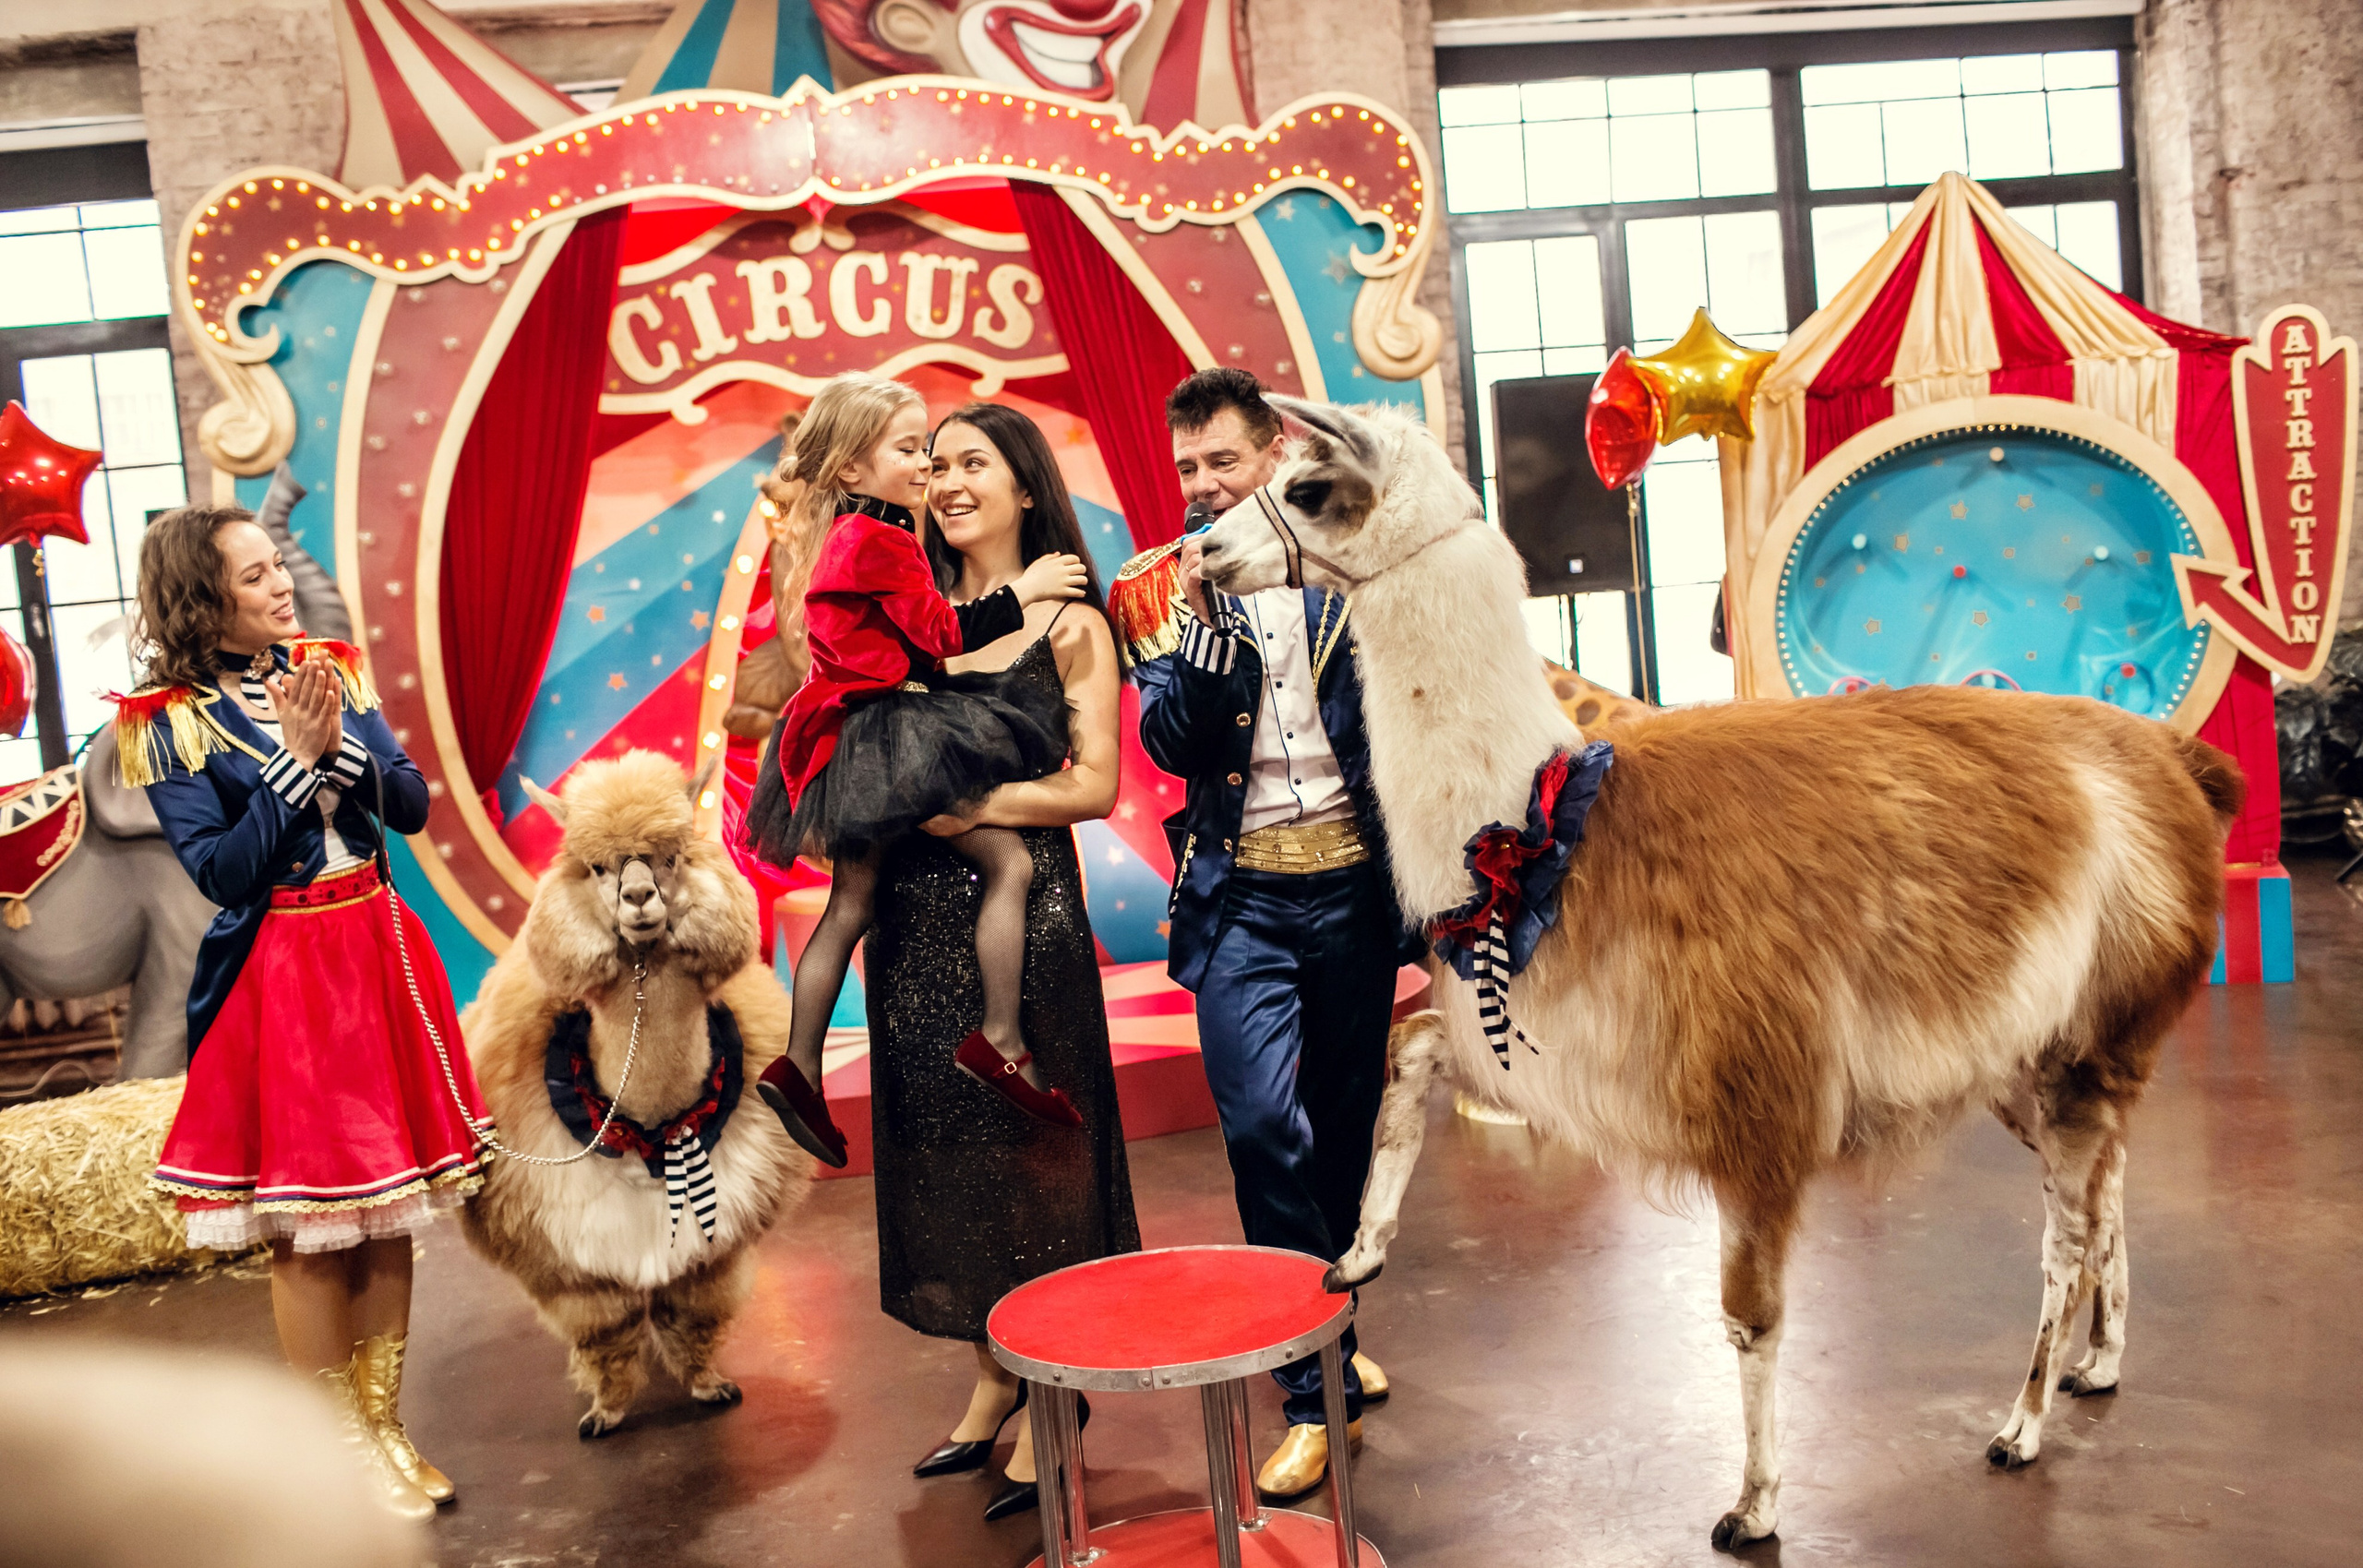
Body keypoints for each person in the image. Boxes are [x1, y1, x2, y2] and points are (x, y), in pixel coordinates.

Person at [119, 502, 490, 1524]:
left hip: (375, 947)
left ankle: (386, 1426)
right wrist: (290, 762)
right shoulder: (166, 720)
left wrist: (341, 752)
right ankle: (337, 1452)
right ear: (205, 600)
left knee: (385, 1210)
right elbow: (224, 874)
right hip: (284, 979)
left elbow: (408, 803)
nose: (280, 583)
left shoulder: (329, 666)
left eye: (274, 563)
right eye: (251, 576)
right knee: (312, 1229)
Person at [1110, 368, 1419, 1499]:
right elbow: (1174, 748)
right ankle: (1307, 1391)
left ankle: (1330, 1331)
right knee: (1258, 1131)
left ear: (1274, 453)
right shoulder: (1155, 588)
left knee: (1339, 1132)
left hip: (1353, 894)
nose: (1201, 486)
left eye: (1222, 463)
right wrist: (1198, 634)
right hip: (1239, 900)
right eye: (1186, 467)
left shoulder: (1353, 568)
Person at [882, 401, 1140, 1522]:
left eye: (971, 461)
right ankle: (990, 1374)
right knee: (949, 1150)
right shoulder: (919, 615)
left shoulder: (1072, 618)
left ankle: (1054, 1392)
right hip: (913, 917)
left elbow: (1096, 786)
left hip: (1021, 913)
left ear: (1025, 486)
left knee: (1034, 1155)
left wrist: (969, 804)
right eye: (933, 462)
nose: (945, 479)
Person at [743, 373, 1095, 1165]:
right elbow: (940, 631)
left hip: (847, 729)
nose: (927, 469)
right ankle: (999, 1037)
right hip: (888, 727)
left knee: (850, 901)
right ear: (851, 472)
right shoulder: (886, 539)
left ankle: (799, 1065)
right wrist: (1025, 588)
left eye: (929, 452)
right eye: (912, 452)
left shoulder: (844, 534)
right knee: (1007, 861)